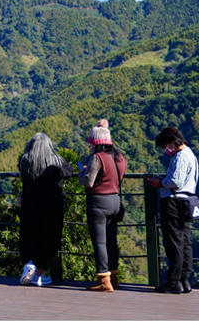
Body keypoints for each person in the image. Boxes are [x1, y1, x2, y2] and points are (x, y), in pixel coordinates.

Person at [146, 127, 199, 294]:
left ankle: (173, 281)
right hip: (187, 201)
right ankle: (184, 279)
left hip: (174, 202)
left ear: (171, 142)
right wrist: (164, 179)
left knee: (173, 241)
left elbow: (175, 181)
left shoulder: (181, 157)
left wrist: (159, 183)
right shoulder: (190, 154)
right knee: (184, 241)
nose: (165, 150)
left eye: (165, 146)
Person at [17, 132, 74, 287]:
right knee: (49, 238)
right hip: (52, 206)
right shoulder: (55, 160)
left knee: (29, 235)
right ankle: (39, 273)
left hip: (30, 205)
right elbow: (69, 172)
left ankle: (29, 264)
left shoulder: (25, 159)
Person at [78, 119, 127, 292]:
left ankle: (103, 280)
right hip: (115, 200)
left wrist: (81, 172)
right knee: (112, 241)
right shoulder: (119, 158)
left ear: (95, 143)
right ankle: (114, 277)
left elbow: (88, 182)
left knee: (100, 242)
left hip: (98, 202)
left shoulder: (97, 158)